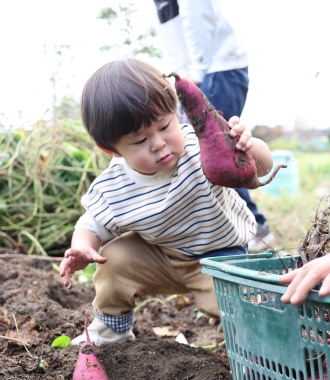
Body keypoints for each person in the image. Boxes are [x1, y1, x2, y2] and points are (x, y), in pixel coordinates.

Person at [59, 58, 273, 346]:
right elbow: (92, 224)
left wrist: (248, 146)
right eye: (139, 140)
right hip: (161, 255)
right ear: (111, 149)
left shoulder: (201, 148)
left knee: (242, 305)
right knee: (113, 262)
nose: (158, 143)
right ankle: (113, 328)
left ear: (177, 114)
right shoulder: (113, 186)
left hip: (221, 256)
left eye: (163, 127)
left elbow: (261, 168)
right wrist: (83, 247)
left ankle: (249, 349)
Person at [152, 0, 274, 252]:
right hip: (197, 73)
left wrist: (195, 72)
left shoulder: (204, 70)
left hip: (215, 70)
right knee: (212, 156)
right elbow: (170, 35)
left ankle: (253, 226)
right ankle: (250, 224)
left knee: (223, 154)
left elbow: (198, 14)